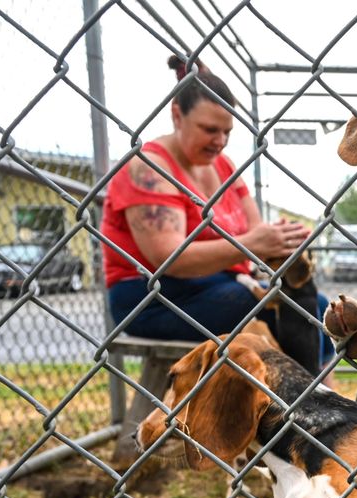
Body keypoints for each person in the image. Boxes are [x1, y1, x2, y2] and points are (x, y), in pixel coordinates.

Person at [101, 55, 332, 377]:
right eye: (210, 129)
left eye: (227, 132)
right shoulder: (150, 168)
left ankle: (317, 395)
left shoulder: (223, 166)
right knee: (260, 307)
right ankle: (297, 404)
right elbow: (168, 258)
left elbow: (255, 232)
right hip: (150, 296)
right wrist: (253, 243)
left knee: (316, 304)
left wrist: (281, 239)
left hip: (222, 285)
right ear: (177, 115)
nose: (220, 142)